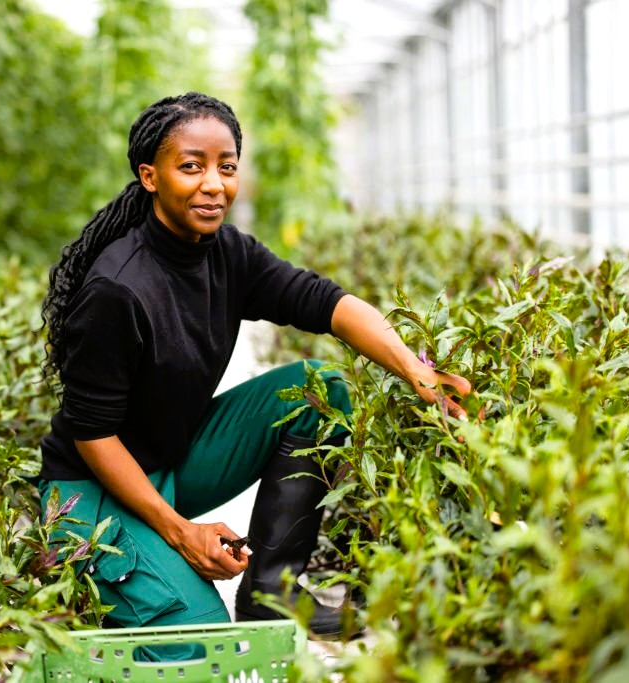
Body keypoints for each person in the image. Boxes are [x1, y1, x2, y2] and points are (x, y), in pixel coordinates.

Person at [37, 92, 470, 653]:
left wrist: (418, 372)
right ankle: (128, 575)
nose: (213, 184)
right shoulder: (117, 290)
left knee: (320, 390)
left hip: (168, 463)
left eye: (227, 166)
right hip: (89, 494)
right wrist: (182, 533)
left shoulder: (226, 252)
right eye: (191, 167)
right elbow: (91, 435)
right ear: (150, 176)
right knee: (202, 643)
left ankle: (272, 592)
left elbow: (327, 304)